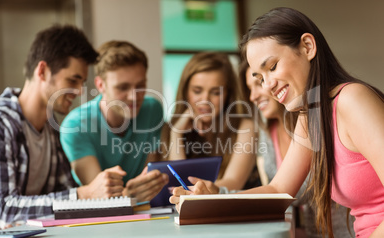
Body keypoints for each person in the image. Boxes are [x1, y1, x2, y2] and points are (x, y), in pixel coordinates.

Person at [170, 7, 384, 238]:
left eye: (272, 67)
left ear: (307, 47)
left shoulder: (353, 99)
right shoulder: (311, 116)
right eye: (260, 78)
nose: (268, 85)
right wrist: (210, 201)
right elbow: (278, 190)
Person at [0, 25, 128, 231]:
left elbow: (65, 196)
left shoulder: (52, 130)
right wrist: (84, 194)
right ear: (42, 71)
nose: (78, 91)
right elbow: (5, 210)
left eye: (82, 83)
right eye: (72, 80)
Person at [240, 61, 354, 237]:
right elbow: (278, 191)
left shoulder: (325, 116)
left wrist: (220, 196)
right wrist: (212, 199)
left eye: (260, 82)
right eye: (251, 87)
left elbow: (292, 191)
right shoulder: (267, 132)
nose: (252, 96)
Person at [60, 40, 168, 203]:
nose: (134, 96)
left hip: (147, 211)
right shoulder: (76, 126)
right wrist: (129, 195)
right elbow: (100, 196)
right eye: (123, 87)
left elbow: (151, 179)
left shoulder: (152, 110)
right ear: (100, 84)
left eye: (140, 85)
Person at [159, 52, 257, 192]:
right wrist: (176, 133)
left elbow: (233, 182)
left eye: (216, 92)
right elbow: (179, 184)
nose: (205, 100)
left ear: (228, 94)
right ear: (185, 91)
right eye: (197, 91)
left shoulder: (245, 127)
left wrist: (200, 191)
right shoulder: (174, 126)